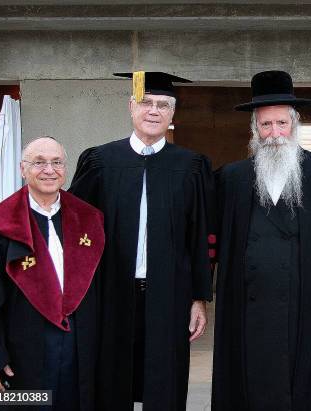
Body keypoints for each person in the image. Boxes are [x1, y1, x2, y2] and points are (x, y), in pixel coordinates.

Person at [70, 71, 214, 410]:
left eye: (163, 104)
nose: (154, 111)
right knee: (109, 377)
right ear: (131, 107)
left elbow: (199, 237)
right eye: (146, 102)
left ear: (173, 113)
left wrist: (199, 298)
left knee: (165, 381)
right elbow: (77, 231)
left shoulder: (191, 166)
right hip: (111, 292)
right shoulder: (100, 161)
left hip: (170, 294)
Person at [212, 70, 311, 411]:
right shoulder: (232, 178)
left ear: (295, 123)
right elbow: (210, 240)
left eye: (281, 124)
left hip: (307, 305)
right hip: (246, 307)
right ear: (255, 130)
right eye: (266, 125)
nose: (274, 134)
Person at [0, 136, 104, 410]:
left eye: (56, 162)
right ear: (23, 169)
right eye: (39, 162)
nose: (49, 170)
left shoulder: (89, 219)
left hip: (80, 346)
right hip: (22, 348)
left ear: (65, 168)